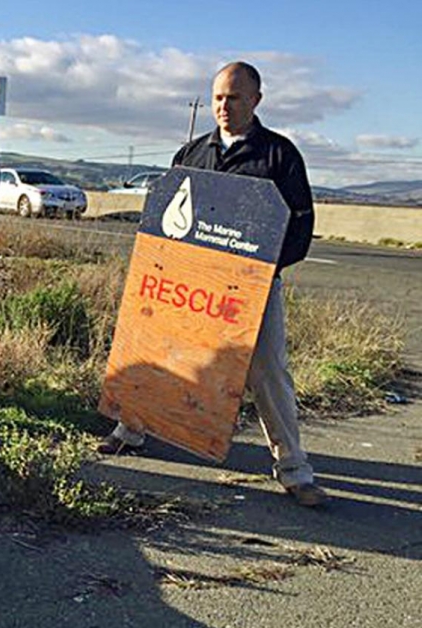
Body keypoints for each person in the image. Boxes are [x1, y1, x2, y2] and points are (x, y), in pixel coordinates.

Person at [98, 61, 327, 507]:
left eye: (235, 98)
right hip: (188, 286)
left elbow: (300, 229)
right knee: (163, 352)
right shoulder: (191, 154)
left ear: (256, 100)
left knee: (267, 369)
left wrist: (261, 273)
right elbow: (166, 223)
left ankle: (295, 469)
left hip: (253, 292)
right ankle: (132, 428)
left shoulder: (279, 156)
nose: (224, 106)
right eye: (219, 97)